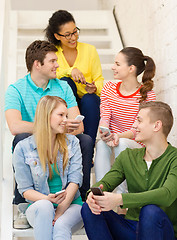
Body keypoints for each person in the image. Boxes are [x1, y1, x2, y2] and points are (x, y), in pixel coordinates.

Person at [5, 40, 93, 227]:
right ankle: (23, 203)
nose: (58, 65)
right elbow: (15, 126)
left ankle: (78, 198)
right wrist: (49, 127)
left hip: (61, 140)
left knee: (85, 140)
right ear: (38, 64)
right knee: (20, 139)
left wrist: (63, 127)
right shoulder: (16, 89)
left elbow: (79, 125)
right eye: (53, 61)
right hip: (34, 143)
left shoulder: (62, 87)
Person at [81, 101, 177, 240]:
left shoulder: (174, 158)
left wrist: (120, 199)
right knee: (88, 208)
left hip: (161, 232)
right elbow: (105, 183)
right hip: (131, 229)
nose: (134, 126)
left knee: (150, 211)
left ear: (157, 125)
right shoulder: (128, 156)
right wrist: (92, 194)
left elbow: (166, 195)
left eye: (139, 120)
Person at [13, 95, 83, 240]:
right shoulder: (23, 148)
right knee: (45, 206)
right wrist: (48, 200)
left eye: (66, 115)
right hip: (40, 207)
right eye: (60, 115)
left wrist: (60, 210)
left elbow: (75, 181)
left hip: (71, 206)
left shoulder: (73, 143)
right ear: (46, 116)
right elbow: (25, 190)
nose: (65, 120)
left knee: (60, 225)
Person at [94, 47, 156, 199]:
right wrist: (104, 131)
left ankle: (123, 198)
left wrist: (118, 136)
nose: (112, 67)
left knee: (122, 143)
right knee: (101, 144)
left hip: (136, 145)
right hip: (113, 139)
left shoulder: (147, 94)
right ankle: (101, 192)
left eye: (117, 63)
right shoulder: (108, 88)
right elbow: (105, 115)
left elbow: (137, 130)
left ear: (131, 68)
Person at [45, 9, 104, 145]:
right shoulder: (52, 52)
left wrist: (95, 88)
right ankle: (66, 142)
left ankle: (88, 144)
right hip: (64, 105)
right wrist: (70, 70)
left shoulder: (90, 50)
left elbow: (99, 78)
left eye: (75, 32)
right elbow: (49, 75)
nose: (73, 37)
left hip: (86, 101)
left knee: (91, 99)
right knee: (66, 81)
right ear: (57, 36)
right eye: (67, 35)